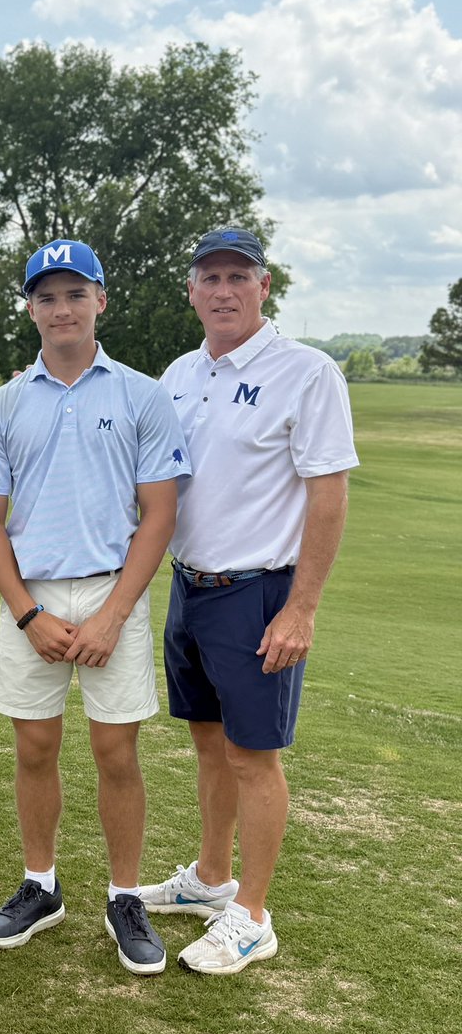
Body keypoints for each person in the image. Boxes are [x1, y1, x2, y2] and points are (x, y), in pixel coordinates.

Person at [0, 239, 190, 975]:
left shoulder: (140, 394)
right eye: (46, 296)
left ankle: (125, 896)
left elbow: (159, 514)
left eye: (75, 293)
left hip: (111, 591)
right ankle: (41, 885)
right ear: (30, 308)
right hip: (30, 597)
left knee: (114, 752)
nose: (60, 309)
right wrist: (29, 615)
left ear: (101, 300)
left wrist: (112, 615)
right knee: (34, 748)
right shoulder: (0, 405)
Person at [140, 227, 358, 974]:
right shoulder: (178, 372)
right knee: (207, 740)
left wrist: (301, 609)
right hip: (189, 585)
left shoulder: (306, 371)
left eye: (240, 276)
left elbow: (328, 495)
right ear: (192, 291)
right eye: (211, 277)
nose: (224, 290)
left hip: (258, 592)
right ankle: (209, 879)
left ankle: (253, 914)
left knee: (253, 755)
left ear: (265, 287)